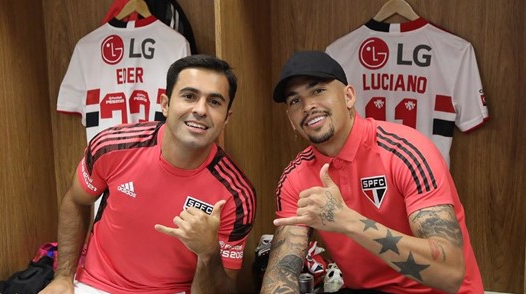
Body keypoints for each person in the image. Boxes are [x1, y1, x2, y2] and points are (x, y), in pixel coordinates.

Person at [260, 51, 482, 293]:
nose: (308, 106)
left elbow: (450, 274)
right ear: (291, 120)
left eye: (318, 91)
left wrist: (348, 222)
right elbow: (280, 273)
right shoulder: (295, 177)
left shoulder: (405, 151)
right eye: (295, 101)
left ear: (348, 96)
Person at [40, 55, 256, 294]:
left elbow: (224, 290)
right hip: (96, 286)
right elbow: (76, 200)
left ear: (227, 117)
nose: (200, 110)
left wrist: (208, 252)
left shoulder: (237, 195)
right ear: (165, 104)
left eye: (215, 102)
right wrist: (63, 277)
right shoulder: (112, 146)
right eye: (189, 96)